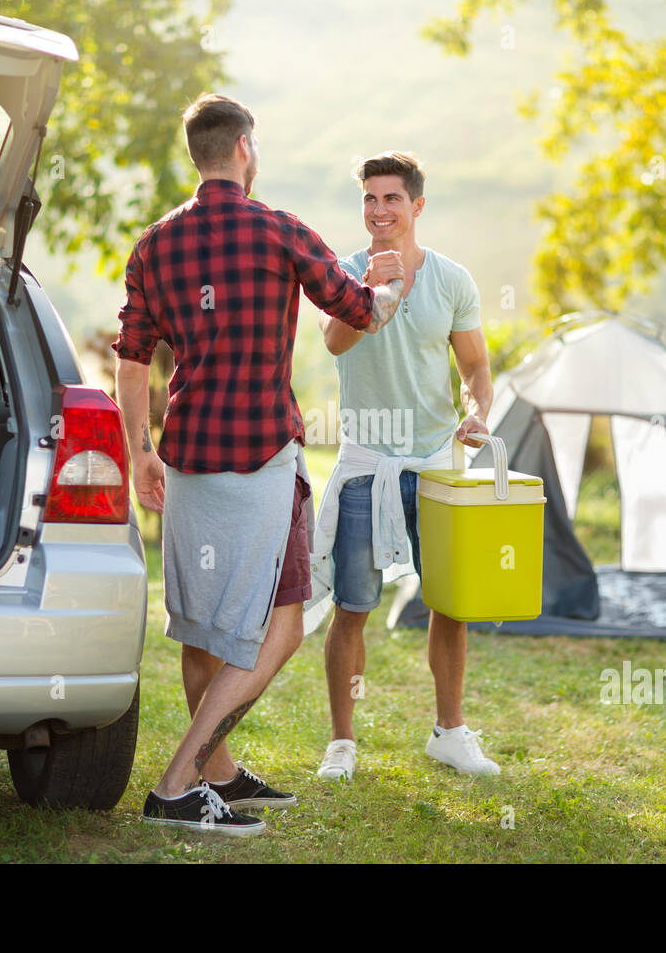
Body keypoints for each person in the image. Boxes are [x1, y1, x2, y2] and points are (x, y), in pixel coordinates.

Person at [114, 94, 403, 836]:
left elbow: (132, 356)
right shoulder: (275, 228)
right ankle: (179, 783)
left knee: (202, 630)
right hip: (262, 459)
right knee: (280, 626)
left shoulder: (153, 245)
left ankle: (218, 774)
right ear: (244, 148)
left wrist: (140, 448)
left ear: (197, 153)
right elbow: (360, 311)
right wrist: (392, 285)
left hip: (187, 461)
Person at [308, 151, 499, 780]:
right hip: (367, 462)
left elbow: (474, 366)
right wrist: (374, 292)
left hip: (437, 462)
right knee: (354, 606)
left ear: (417, 206)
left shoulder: (452, 279)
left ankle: (450, 731)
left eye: (392, 199)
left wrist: (477, 409)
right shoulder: (344, 273)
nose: (379, 210)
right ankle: (343, 742)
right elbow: (335, 341)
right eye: (370, 199)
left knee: (451, 601)